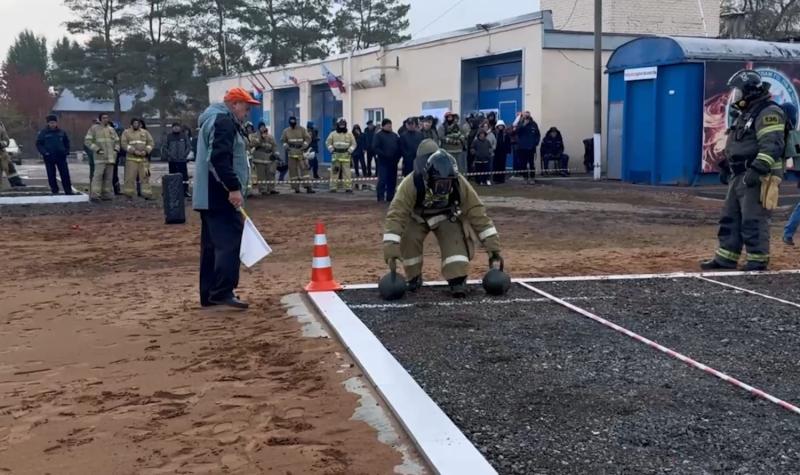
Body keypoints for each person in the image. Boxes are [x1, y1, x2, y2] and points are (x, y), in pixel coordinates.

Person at [382, 140, 502, 297]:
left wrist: (493, 246)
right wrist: (391, 247)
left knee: (455, 242)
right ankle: (413, 278)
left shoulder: (459, 183)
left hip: (446, 216)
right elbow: (396, 214)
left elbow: (476, 211)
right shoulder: (410, 184)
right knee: (409, 239)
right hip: (416, 217)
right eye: (440, 183)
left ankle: (457, 279)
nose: (444, 188)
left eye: (448, 183)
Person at [701, 70, 786, 272]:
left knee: (753, 218)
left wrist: (757, 170)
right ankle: (725, 258)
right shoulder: (747, 113)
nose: (735, 97)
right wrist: (726, 166)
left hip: (758, 177)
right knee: (730, 216)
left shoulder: (768, 112)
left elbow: (772, 145)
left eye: (738, 92)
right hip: (739, 175)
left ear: (749, 91)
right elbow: (740, 144)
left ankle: (758, 259)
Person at [193, 87, 258, 310]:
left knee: (212, 246)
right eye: (246, 107)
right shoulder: (223, 122)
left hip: (208, 196)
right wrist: (233, 188)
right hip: (219, 195)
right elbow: (219, 158)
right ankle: (222, 292)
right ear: (234, 104)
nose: (247, 112)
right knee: (230, 243)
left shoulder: (213, 120)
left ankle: (209, 294)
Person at [85, 113, 120, 201]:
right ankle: (95, 195)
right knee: (98, 177)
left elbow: (117, 141)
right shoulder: (94, 129)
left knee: (108, 178)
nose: (106, 119)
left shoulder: (111, 129)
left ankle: (106, 194)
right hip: (99, 158)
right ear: (100, 119)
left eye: (107, 118)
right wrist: (97, 149)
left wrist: (116, 150)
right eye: (104, 118)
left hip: (111, 158)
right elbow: (87, 141)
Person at [35, 115, 73, 195]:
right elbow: (39, 144)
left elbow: (67, 142)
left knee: (65, 174)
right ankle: (54, 190)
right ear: (48, 123)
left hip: (61, 156)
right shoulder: (43, 133)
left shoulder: (61, 132)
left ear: (56, 123)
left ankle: (68, 190)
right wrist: (44, 153)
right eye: (51, 123)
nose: (52, 124)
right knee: (51, 175)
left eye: (54, 122)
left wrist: (66, 151)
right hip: (49, 157)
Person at [120, 118, 155, 199]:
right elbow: (124, 144)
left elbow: (151, 143)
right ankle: (129, 194)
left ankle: (147, 194)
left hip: (143, 160)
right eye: (134, 123)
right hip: (131, 159)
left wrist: (146, 151)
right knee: (130, 178)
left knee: (145, 177)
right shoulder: (126, 132)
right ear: (131, 124)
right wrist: (134, 151)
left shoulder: (145, 132)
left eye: (137, 123)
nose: (136, 125)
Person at [281, 116, 314, 194]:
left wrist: (305, 145)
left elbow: (308, 138)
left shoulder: (302, 130)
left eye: (294, 122)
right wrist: (286, 146)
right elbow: (283, 140)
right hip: (291, 153)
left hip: (300, 153)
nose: (293, 124)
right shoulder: (286, 131)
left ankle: (308, 186)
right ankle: (296, 188)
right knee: (293, 172)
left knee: (304, 170)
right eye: (291, 122)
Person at [373, 118, 402, 202]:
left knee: (392, 181)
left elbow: (399, 147)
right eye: (388, 125)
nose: (390, 127)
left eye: (390, 125)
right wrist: (384, 155)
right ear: (383, 126)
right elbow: (375, 147)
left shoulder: (394, 135)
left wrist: (397, 157)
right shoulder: (378, 135)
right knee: (382, 180)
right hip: (383, 162)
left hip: (393, 162)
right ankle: (380, 197)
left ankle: (390, 197)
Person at [326, 117, 356, 193]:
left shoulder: (349, 134)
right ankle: (333, 187)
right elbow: (328, 143)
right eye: (340, 124)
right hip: (336, 156)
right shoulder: (333, 134)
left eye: (343, 124)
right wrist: (332, 150)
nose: (342, 126)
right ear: (337, 125)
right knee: (334, 172)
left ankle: (348, 187)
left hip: (346, 156)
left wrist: (349, 151)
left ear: (345, 125)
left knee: (347, 173)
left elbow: (354, 144)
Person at [162, 122, 192, 197]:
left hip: (182, 160)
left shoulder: (184, 136)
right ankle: (173, 191)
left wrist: (184, 155)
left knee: (184, 177)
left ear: (180, 128)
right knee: (172, 176)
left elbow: (188, 147)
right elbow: (165, 147)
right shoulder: (169, 136)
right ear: (172, 128)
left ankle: (185, 191)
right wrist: (170, 155)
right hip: (172, 161)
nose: (176, 128)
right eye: (174, 127)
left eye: (177, 127)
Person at [250, 122, 280, 195]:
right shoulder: (254, 136)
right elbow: (252, 144)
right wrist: (261, 137)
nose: (263, 128)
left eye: (264, 127)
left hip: (269, 159)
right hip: (259, 159)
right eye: (261, 127)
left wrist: (275, 154)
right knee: (261, 175)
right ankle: (263, 189)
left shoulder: (270, 137)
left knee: (271, 174)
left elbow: (274, 146)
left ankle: (272, 188)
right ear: (259, 128)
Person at [513, 111, 541, 184]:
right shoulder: (520, 123)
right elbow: (515, 132)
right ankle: (525, 178)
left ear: (530, 116)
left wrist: (535, 143)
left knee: (531, 164)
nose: (527, 117)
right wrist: (523, 125)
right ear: (523, 116)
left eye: (528, 115)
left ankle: (532, 178)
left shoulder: (534, 124)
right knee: (523, 164)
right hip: (522, 148)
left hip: (531, 148)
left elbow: (538, 135)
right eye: (525, 115)